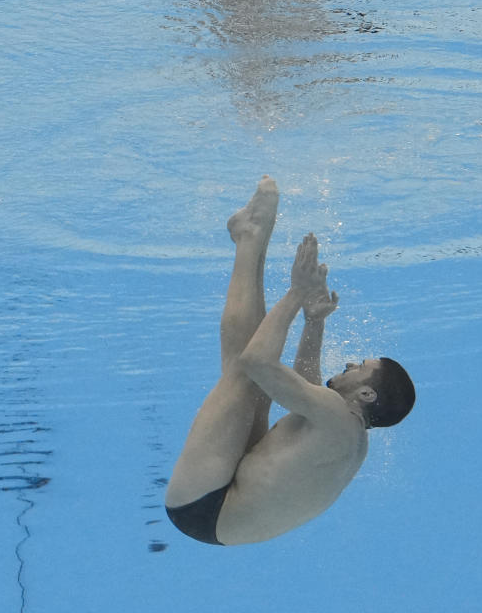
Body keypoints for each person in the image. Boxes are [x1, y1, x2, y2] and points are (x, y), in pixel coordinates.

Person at [165, 176, 415, 546]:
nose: (349, 364)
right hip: (222, 516)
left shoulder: (338, 416)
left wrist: (297, 292)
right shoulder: (350, 437)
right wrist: (313, 322)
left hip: (204, 503)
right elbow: (302, 391)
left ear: (366, 394)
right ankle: (248, 235)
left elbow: (257, 362)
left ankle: (249, 237)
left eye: (360, 367)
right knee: (255, 390)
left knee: (243, 374)